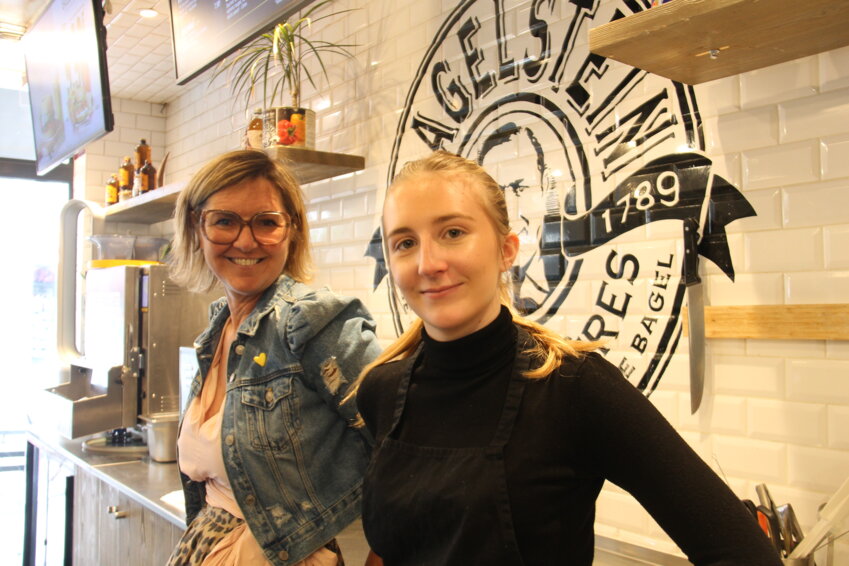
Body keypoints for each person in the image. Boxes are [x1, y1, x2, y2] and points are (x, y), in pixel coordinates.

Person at [354, 150, 782, 565]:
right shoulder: (380, 391)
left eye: (453, 233)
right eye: (405, 243)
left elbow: (745, 553)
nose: (428, 263)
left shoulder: (574, 389)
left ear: (506, 250)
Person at [167, 149, 381, 566]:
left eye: (266, 222)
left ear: (292, 231)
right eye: (224, 221)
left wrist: (384, 553)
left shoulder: (310, 320)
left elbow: (404, 445)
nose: (246, 241)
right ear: (197, 227)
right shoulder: (217, 331)